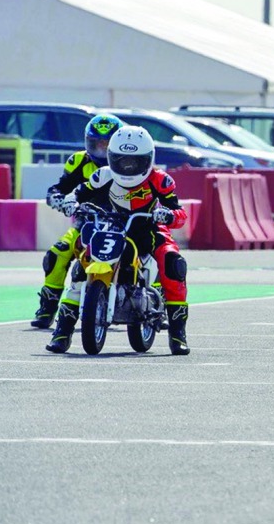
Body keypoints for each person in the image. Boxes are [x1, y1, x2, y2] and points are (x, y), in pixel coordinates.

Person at [45, 126, 191, 355]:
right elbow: (79, 192)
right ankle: (62, 333)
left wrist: (168, 215)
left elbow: (180, 213)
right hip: (113, 225)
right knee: (81, 266)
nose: (128, 166)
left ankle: (178, 334)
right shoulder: (103, 175)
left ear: (147, 159)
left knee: (173, 263)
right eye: (121, 160)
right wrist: (70, 202)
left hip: (147, 228)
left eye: (134, 161)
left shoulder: (161, 180)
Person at [32, 113, 124, 328]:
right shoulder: (79, 160)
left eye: (106, 144)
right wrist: (58, 200)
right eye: (96, 143)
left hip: (124, 222)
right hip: (87, 221)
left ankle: (159, 303)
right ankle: (48, 307)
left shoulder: (129, 162)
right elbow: (58, 189)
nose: (101, 149)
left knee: (150, 251)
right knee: (57, 252)